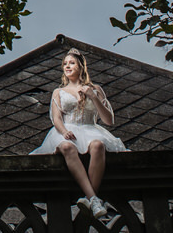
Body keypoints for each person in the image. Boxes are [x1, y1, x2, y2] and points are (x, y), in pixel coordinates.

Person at [30, 48, 127, 219]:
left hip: (90, 128)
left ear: (81, 66)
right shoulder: (58, 92)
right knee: (67, 147)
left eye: (72, 63)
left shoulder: (95, 89)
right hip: (67, 130)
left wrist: (93, 96)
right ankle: (95, 199)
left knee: (98, 145)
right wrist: (64, 131)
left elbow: (109, 120)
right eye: (65, 64)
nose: (67, 66)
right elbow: (57, 118)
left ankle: (91, 198)